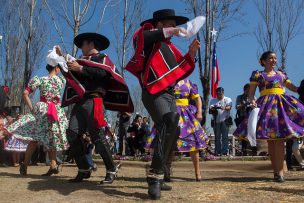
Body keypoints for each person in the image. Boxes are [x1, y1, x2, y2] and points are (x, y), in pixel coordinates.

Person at [125, 9, 200, 199]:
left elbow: (180, 71)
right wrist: (173, 32)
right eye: (171, 24)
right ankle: (155, 176)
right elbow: (141, 38)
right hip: (152, 91)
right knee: (170, 120)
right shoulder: (147, 35)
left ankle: (160, 175)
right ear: (159, 24)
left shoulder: (171, 49)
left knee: (172, 131)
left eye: (175, 25)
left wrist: (191, 54)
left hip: (169, 94)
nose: (175, 28)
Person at [60, 32, 134, 184]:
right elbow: (74, 80)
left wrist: (80, 69)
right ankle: (84, 168)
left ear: (91, 44)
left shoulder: (103, 59)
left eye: (83, 44)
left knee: (98, 137)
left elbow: (103, 74)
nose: (80, 48)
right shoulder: (79, 61)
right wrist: (62, 60)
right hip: (80, 102)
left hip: (95, 100)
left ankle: (111, 169)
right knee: (72, 134)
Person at [234, 51, 304, 182]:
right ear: (263, 61)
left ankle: (281, 173)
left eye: (275, 58)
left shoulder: (281, 75)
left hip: (281, 106)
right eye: (271, 58)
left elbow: (293, 88)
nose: (274, 60)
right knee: (271, 142)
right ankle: (276, 172)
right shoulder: (258, 75)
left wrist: (301, 88)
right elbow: (251, 94)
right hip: (266, 107)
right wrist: (252, 101)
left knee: (280, 141)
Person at [6, 62, 69, 176]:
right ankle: (53, 165)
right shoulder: (62, 81)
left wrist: (31, 108)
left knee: (34, 139)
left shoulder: (41, 79)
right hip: (56, 111)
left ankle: (26, 165)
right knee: (52, 138)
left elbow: (25, 93)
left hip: (43, 109)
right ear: (56, 67)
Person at [146, 80, 209, 182]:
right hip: (170, 112)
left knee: (193, 144)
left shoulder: (188, 82)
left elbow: (197, 98)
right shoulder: (166, 80)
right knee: (168, 143)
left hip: (186, 116)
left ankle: (198, 172)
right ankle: (166, 172)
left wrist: (200, 112)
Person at [209, 87, 232, 156]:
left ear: (223, 93)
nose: (219, 95)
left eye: (220, 93)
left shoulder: (227, 99)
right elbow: (210, 109)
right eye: (218, 94)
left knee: (225, 137)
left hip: (225, 120)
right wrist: (213, 108)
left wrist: (224, 108)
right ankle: (217, 151)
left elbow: (229, 108)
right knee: (217, 137)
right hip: (216, 121)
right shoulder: (213, 100)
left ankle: (224, 151)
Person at [235, 84, 257, 156]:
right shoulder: (239, 97)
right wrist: (245, 104)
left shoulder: (254, 98)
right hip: (242, 118)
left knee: (253, 134)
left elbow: (257, 108)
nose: (249, 91)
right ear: (244, 90)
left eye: (250, 90)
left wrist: (254, 106)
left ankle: (254, 151)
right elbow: (237, 107)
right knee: (243, 136)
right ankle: (244, 151)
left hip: (251, 119)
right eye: (247, 90)